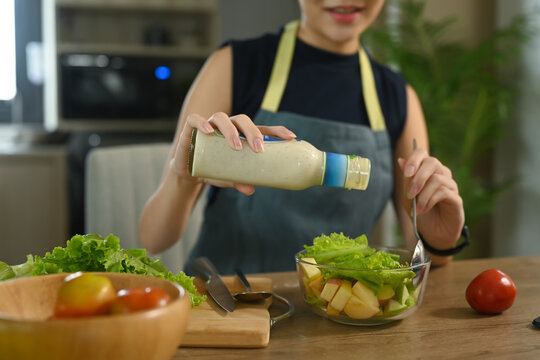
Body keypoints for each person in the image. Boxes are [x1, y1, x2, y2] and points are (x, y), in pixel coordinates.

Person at [138, 0, 466, 274]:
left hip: (337, 318)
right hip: (228, 307)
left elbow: (426, 259)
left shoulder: (398, 96)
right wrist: (183, 179)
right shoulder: (234, 66)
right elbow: (152, 240)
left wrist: (438, 237)